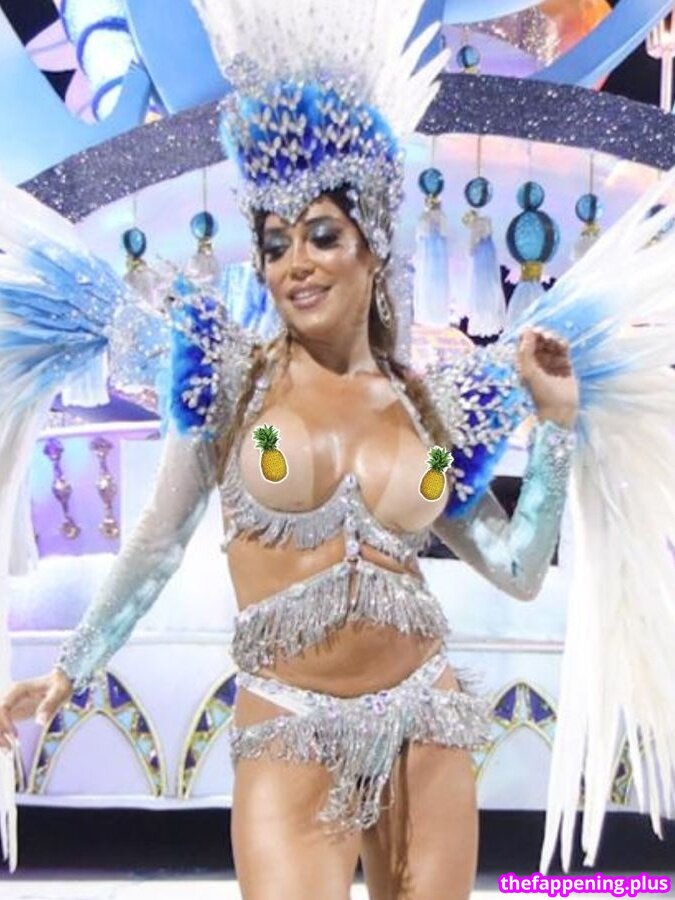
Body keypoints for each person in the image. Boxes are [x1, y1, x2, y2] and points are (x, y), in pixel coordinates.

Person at [0, 0, 674, 895]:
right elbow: (156, 545)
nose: (296, 263)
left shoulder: (433, 408)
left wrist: (552, 428)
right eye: (275, 243)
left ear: (371, 245)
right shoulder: (225, 381)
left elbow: (516, 568)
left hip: (426, 723)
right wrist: (67, 670)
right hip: (289, 728)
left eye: (321, 236)